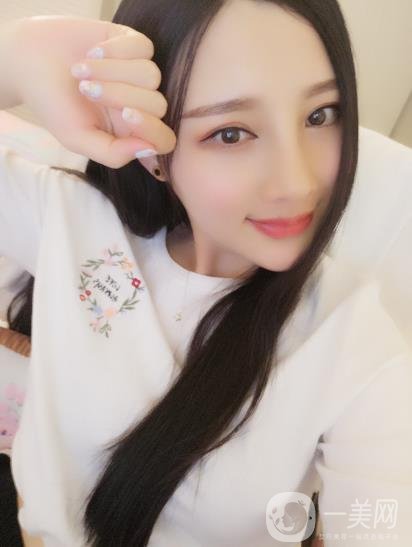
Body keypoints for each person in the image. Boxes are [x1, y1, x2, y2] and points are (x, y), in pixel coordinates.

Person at [0, 1, 411, 546]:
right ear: (153, 152)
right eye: (232, 133)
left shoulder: (356, 342)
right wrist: (12, 55)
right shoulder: (71, 221)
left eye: (320, 115)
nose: (297, 182)